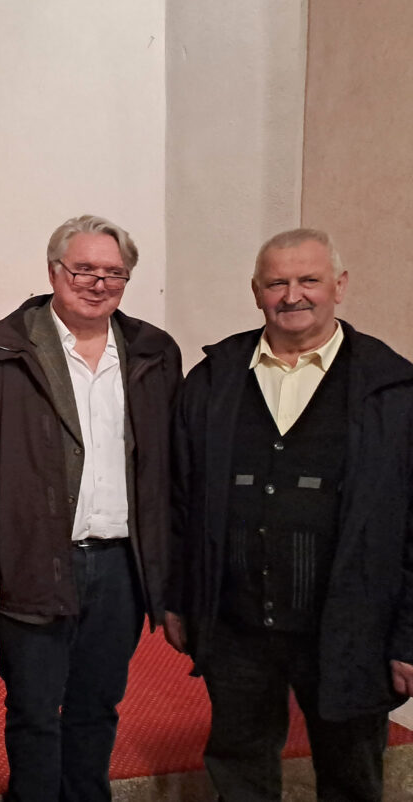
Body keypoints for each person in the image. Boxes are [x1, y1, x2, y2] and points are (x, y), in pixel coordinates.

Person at [166, 228, 413, 801]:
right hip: (235, 624)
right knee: (239, 765)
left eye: (309, 280)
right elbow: (181, 500)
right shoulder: (213, 379)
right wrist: (180, 599)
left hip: (351, 628)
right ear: (256, 291)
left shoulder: (392, 388)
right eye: (277, 282)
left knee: (351, 775)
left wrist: (408, 635)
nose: (292, 295)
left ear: (339, 286)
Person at [0, 215, 181, 802]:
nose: (97, 283)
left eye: (114, 273)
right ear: (55, 271)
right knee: (33, 709)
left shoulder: (154, 353)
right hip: (33, 559)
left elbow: (168, 470)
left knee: (97, 706)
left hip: (119, 567)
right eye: (83, 269)